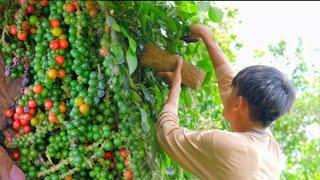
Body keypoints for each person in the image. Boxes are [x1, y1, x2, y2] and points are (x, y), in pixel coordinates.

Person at [157, 24, 295, 180]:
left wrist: (176, 87)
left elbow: (167, 135)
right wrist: (206, 36)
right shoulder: (271, 150)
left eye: (232, 90)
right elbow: (228, 79)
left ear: (239, 104)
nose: (227, 91)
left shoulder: (226, 146)